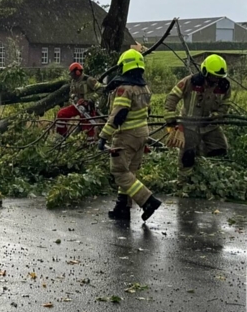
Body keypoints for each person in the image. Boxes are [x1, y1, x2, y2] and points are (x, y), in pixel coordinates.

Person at [99, 49, 163, 222]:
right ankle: (122, 207)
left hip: (126, 135)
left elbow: (118, 116)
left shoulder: (124, 89)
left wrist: (103, 136)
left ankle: (148, 201)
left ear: (124, 66)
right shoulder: (144, 88)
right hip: (142, 134)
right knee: (130, 172)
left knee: (119, 171)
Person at [164, 54, 231, 174]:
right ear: (205, 71)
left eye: (219, 77)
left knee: (220, 149)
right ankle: (184, 182)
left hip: (210, 126)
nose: (216, 79)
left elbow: (226, 103)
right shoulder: (190, 82)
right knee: (187, 155)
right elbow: (172, 97)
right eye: (213, 76)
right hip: (189, 126)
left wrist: (218, 114)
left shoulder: (224, 86)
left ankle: (208, 173)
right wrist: (170, 116)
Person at [54, 62, 100, 138]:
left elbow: (101, 89)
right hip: (77, 106)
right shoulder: (73, 81)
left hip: (88, 108)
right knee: (61, 114)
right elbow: (71, 93)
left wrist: (90, 99)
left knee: (87, 127)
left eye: (72, 73)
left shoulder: (89, 80)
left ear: (77, 71)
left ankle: (89, 144)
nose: (71, 75)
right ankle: (62, 136)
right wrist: (74, 97)